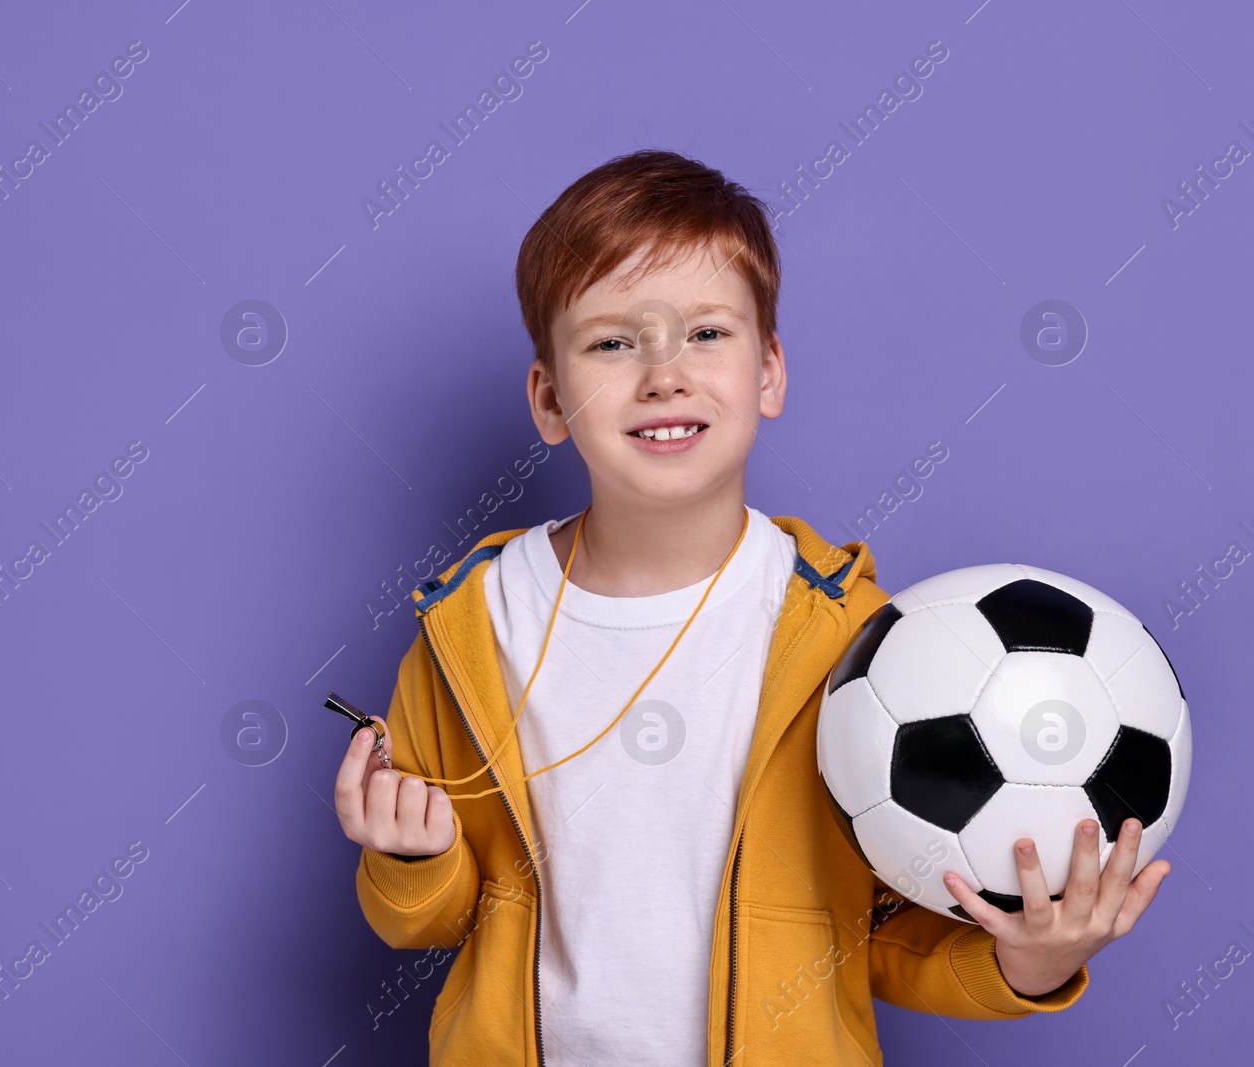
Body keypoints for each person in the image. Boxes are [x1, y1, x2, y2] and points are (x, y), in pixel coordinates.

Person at [332, 149, 1170, 1066]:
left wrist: (1033, 962)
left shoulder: (862, 649)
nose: (663, 375)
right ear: (549, 398)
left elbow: (878, 933)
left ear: (769, 372)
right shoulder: (471, 626)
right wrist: (411, 863)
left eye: (705, 334)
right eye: (612, 342)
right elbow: (436, 922)